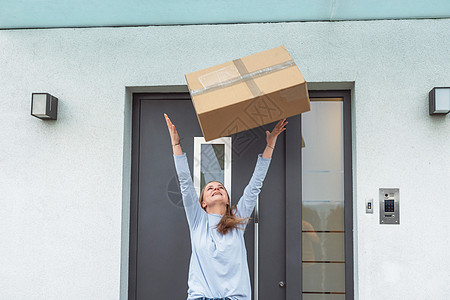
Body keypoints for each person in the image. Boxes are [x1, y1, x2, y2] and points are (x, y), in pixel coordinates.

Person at [164, 113, 287, 300]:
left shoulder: (237, 221)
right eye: (210, 188)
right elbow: (185, 183)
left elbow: (255, 186)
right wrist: (176, 145)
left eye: (220, 187)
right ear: (203, 203)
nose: (216, 188)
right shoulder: (198, 221)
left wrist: (270, 144)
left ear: (228, 200)